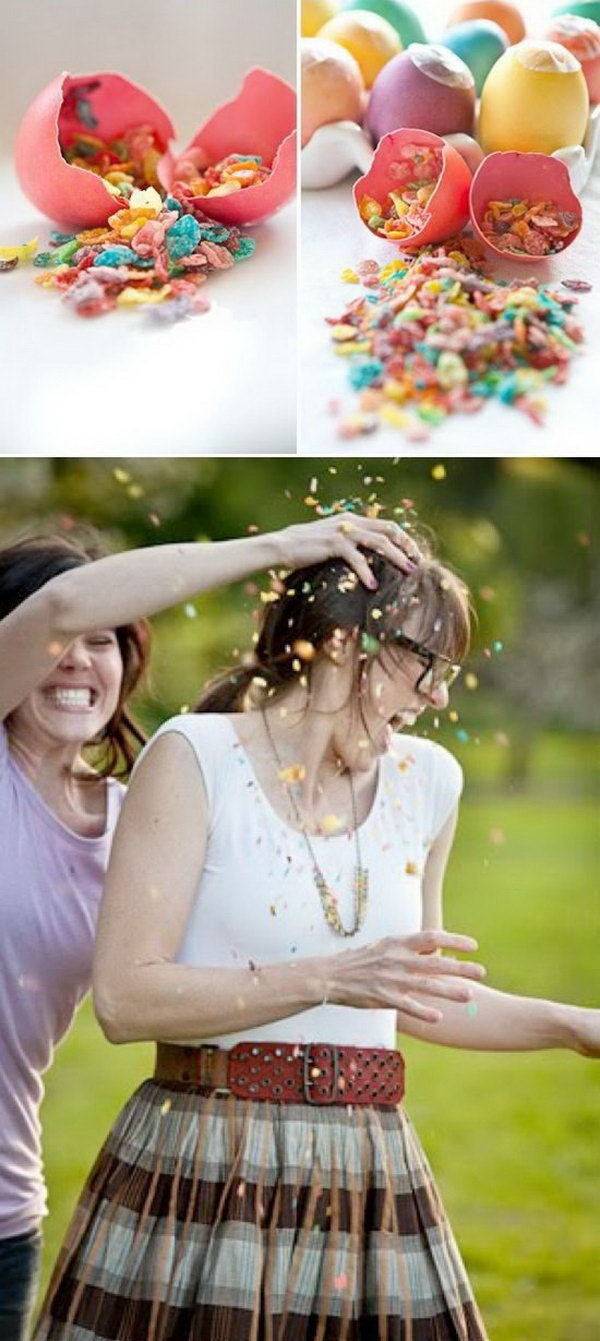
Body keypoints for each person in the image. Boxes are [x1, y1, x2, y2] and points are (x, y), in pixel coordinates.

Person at [34, 542, 598, 1341]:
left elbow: (416, 995)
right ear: (346, 644)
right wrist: (332, 976)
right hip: (205, 1162)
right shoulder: (194, 756)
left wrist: (575, 1025)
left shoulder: (431, 780)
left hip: (370, 1174)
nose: (438, 696)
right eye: (427, 664)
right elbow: (126, 999)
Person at [0, 512, 418, 1341]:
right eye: (63, 639)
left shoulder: (136, 820)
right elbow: (58, 608)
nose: (79, 657)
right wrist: (281, 547)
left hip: (5, 1209)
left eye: (107, 641)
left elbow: (242, 970)